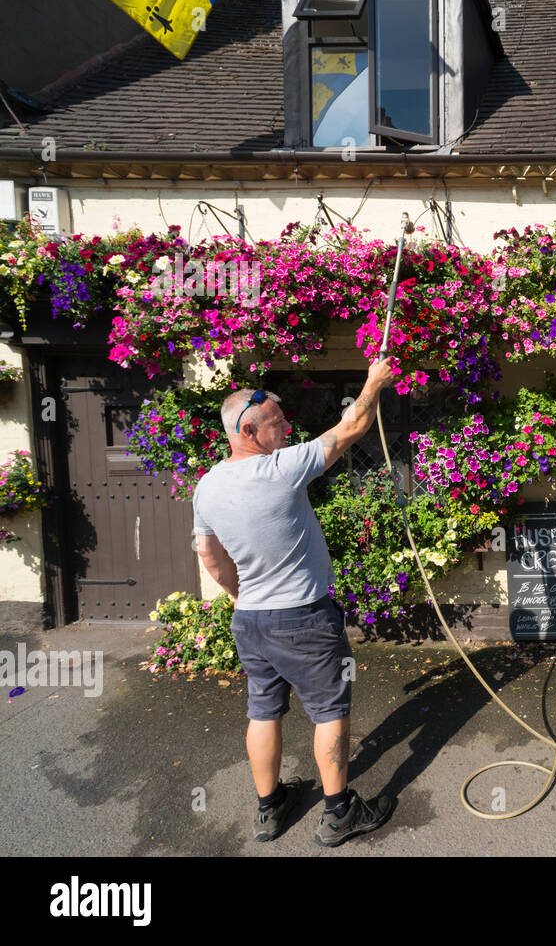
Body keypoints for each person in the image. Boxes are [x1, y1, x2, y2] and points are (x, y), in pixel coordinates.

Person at [193, 358, 397, 846]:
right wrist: (373, 382)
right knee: (329, 711)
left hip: (251, 621)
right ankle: (339, 812)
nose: (286, 427)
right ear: (248, 430)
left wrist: (239, 595)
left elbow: (208, 553)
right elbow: (353, 425)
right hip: (303, 617)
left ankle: (269, 808)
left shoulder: (207, 485)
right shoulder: (280, 470)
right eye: (276, 423)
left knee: (263, 710)